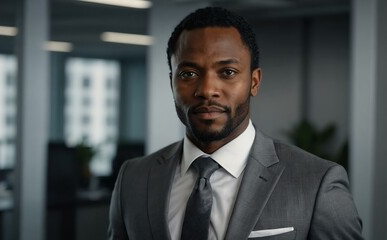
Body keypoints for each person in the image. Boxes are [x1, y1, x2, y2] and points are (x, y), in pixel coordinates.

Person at [108, 7, 363, 240]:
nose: (207, 90)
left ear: (254, 82)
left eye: (227, 72)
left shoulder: (317, 182)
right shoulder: (133, 178)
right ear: (171, 82)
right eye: (189, 74)